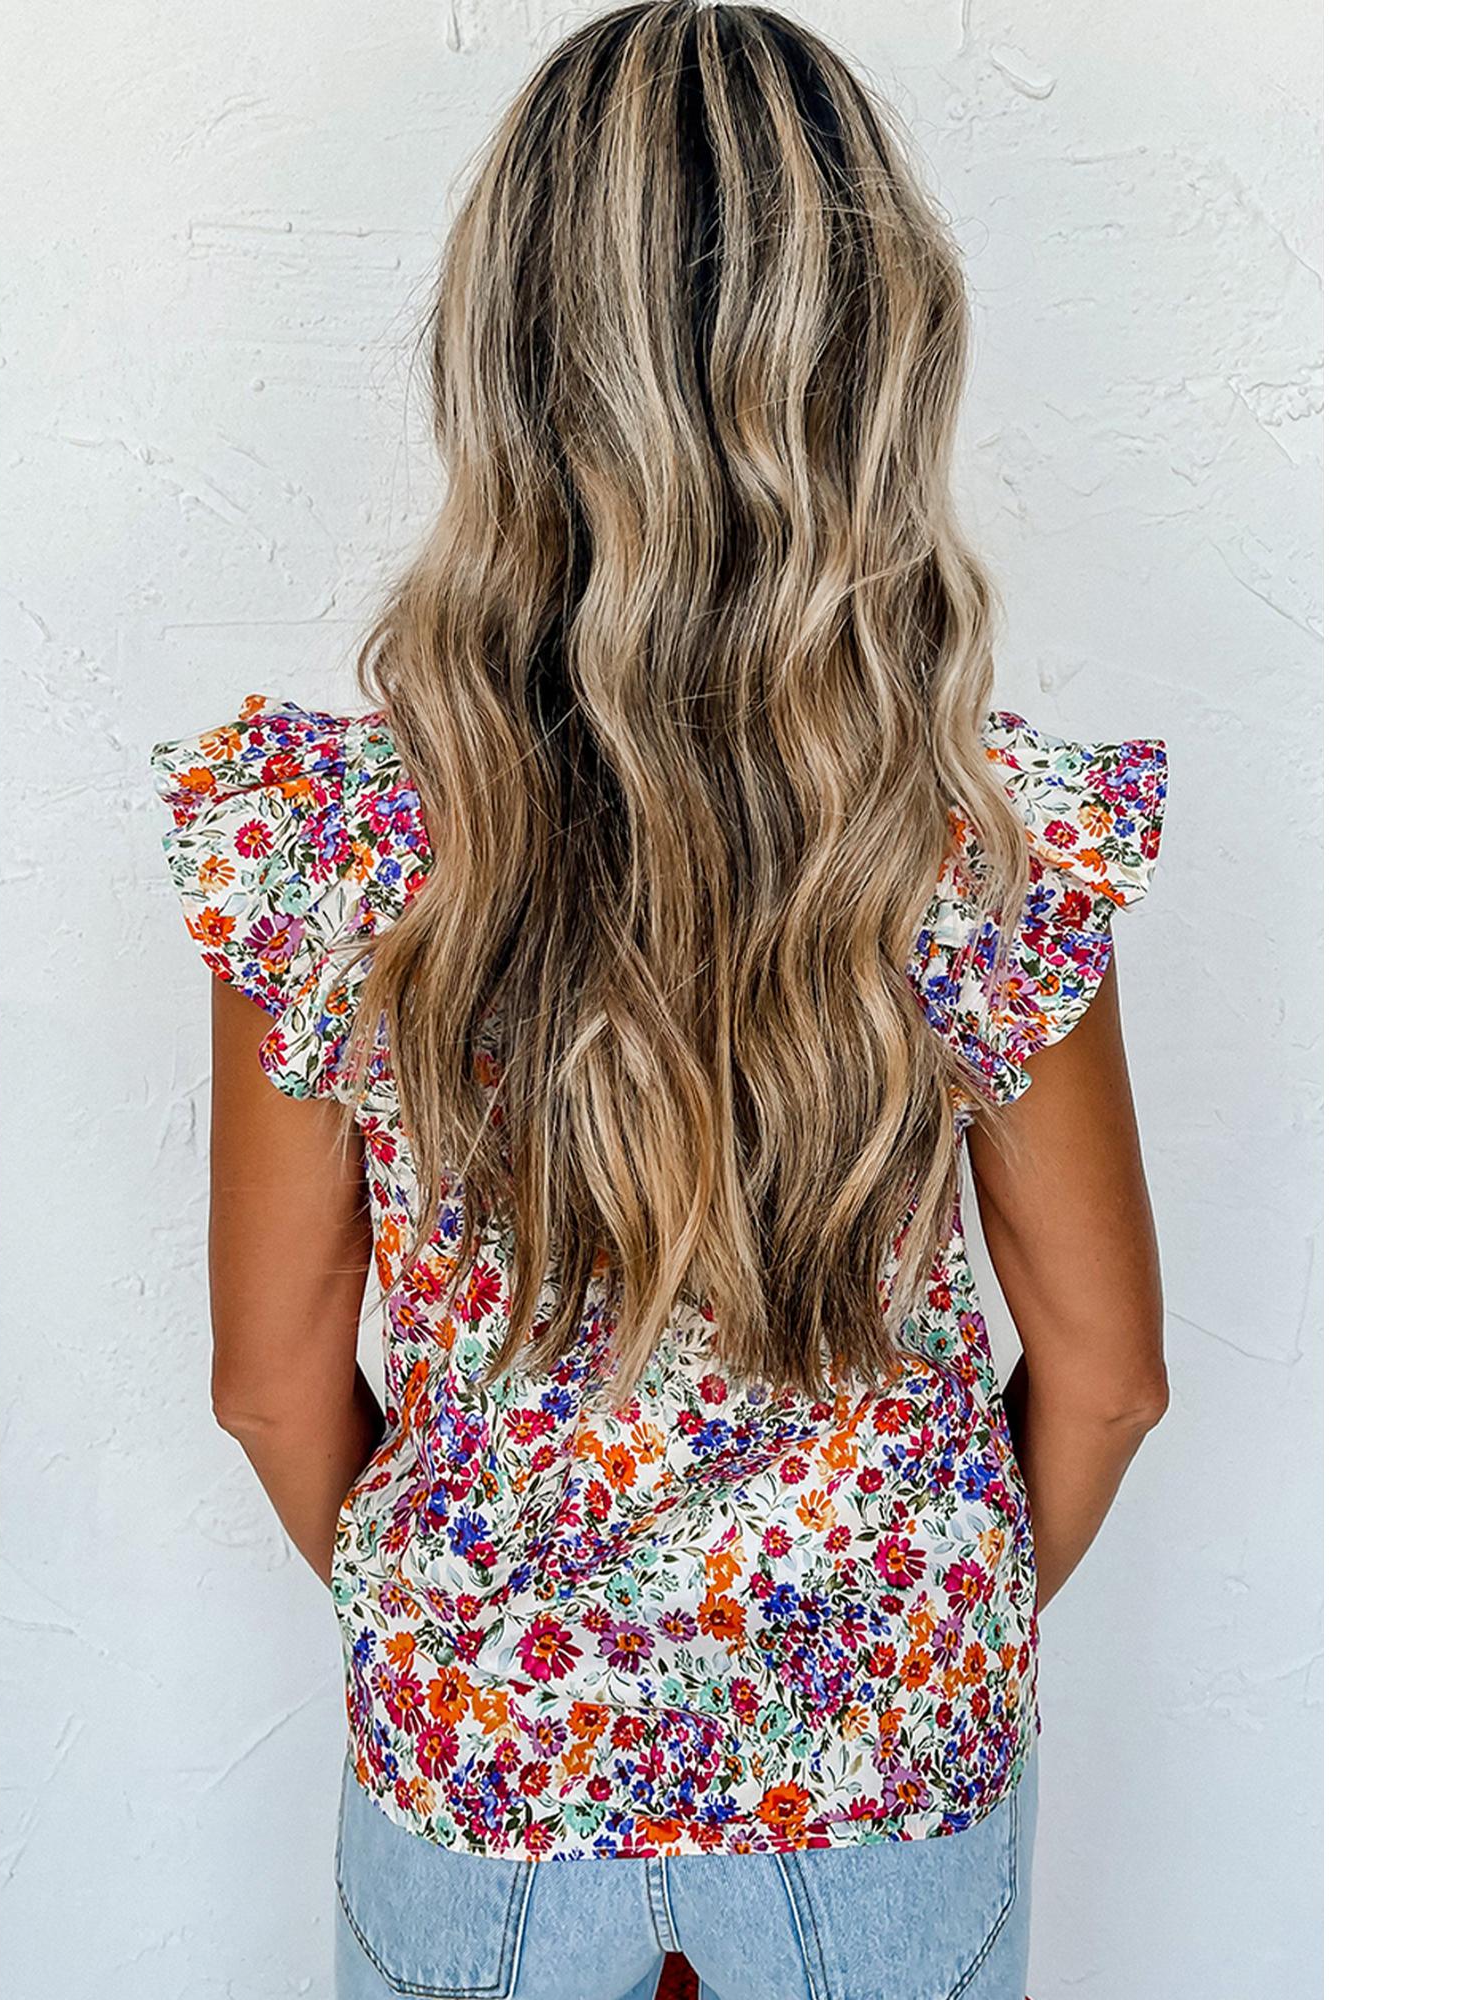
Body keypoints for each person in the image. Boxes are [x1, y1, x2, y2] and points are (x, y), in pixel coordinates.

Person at [150, 6, 1170, 1996]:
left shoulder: (324, 851)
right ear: (876, 359)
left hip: (483, 1760)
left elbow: (270, 1385)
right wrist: (887, 1657)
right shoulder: (984, 849)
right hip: (884, 1759)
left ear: (501, 354)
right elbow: (1111, 1376)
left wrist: (496, 1653)